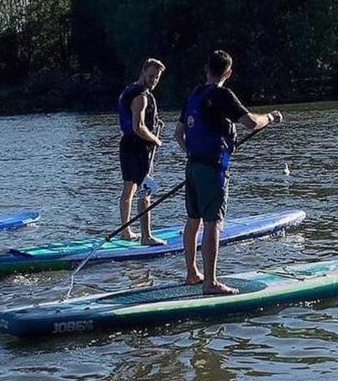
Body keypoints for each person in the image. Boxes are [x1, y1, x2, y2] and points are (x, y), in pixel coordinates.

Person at [174, 50, 283, 294]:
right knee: (213, 223)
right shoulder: (222, 95)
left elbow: (178, 134)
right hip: (212, 169)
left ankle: (192, 273)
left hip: (192, 166)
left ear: (206, 69)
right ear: (228, 73)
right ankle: (210, 282)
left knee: (193, 220)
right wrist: (271, 117)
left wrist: (193, 153)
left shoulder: (194, 94)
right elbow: (251, 123)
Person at [116, 58, 166, 245]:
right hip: (138, 148)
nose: (153, 80)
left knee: (128, 188)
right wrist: (156, 140)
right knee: (145, 191)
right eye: (151, 76)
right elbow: (138, 126)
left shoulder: (129, 90)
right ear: (143, 72)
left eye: (157, 77)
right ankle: (146, 237)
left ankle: (126, 231)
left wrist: (155, 122)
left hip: (127, 145)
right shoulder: (141, 96)